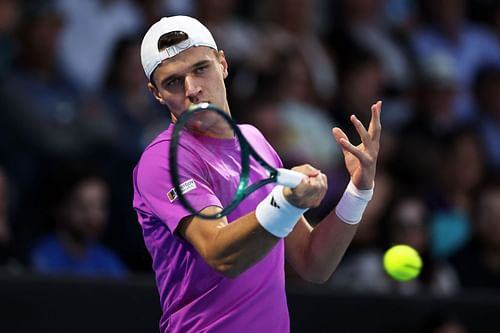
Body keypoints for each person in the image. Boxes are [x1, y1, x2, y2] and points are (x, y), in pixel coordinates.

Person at [133, 15, 382, 333]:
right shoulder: (164, 160)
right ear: (156, 93)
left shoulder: (253, 140)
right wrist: (286, 204)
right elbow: (221, 253)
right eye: (172, 82)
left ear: (222, 64)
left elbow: (312, 261)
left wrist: (358, 191)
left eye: (200, 69)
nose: (192, 89)